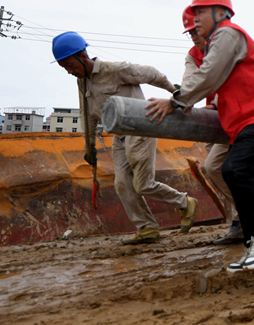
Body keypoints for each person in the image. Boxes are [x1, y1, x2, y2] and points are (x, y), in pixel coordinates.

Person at [146, 0, 254, 272]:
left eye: (200, 11)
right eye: (194, 12)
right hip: (245, 124)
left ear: (220, 11)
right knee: (244, 178)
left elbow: (208, 76)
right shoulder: (212, 44)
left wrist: (176, 101)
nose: (195, 18)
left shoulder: (227, 33)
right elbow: (206, 79)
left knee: (232, 170)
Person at [52, 32, 197, 245]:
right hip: (119, 135)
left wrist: (175, 93)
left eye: (69, 65)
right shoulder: (82, 82)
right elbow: (87, 114)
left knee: (143, 184)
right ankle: (146, 228)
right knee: (122, 184)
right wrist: (89, 146)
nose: (69, 71)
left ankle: (184, 202)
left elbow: (151, 73)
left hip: (141, 128)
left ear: (83, 56)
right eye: (63, 67)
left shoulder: (115, 70)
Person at [181, 6, 240, 245]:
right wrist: (182, 100)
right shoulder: (192, 55)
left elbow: (230, 79)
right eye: (190, 33)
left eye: (196, 31)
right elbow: (190, 81)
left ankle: (246, 218)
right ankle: (236, 223)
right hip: (214, 121)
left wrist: (214, 103)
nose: (195, 37)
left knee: (217, 168)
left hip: (234, 117)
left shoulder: (224, 44)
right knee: (220, 174)